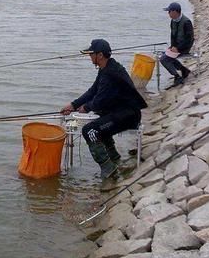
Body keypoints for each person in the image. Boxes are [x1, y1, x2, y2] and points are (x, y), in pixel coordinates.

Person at [60, 39, 148, 179]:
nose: (90, 57)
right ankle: (115, 159)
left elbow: (101, 100)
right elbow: (93, 91)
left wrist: (86, 107)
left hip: (128, 115)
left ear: (99, 55)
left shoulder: (110, 73)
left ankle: (108, 167)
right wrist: (74, 105)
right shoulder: (106, 68)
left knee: (90, 130)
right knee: (99, 122)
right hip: (121, 111)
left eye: (91, 54)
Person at [159, 2, 194, 87]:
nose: (168, 13)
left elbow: (189, 40)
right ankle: (184, 70)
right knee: (164, 54)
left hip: (185, 47)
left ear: (175, 12)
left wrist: (178, 48)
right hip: (176, 47)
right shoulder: (173, 21)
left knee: (163, 59)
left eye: (169, 11)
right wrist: (172, 46)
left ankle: (177, 77)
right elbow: (173, 36)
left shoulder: (187, 22)